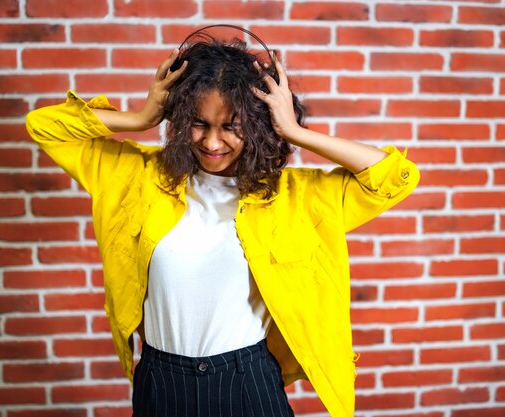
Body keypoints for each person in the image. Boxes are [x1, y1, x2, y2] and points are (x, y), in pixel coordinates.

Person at [26, 27, 419, 417]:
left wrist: (295, 132)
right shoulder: (135, 177)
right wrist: (141, 116)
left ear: (259, 124)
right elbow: (44, 127)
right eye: (199, 123)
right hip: (162, 381)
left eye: (231, 127)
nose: (212, 143)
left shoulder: (298, 196)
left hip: (246, 379)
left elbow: (394, 178)